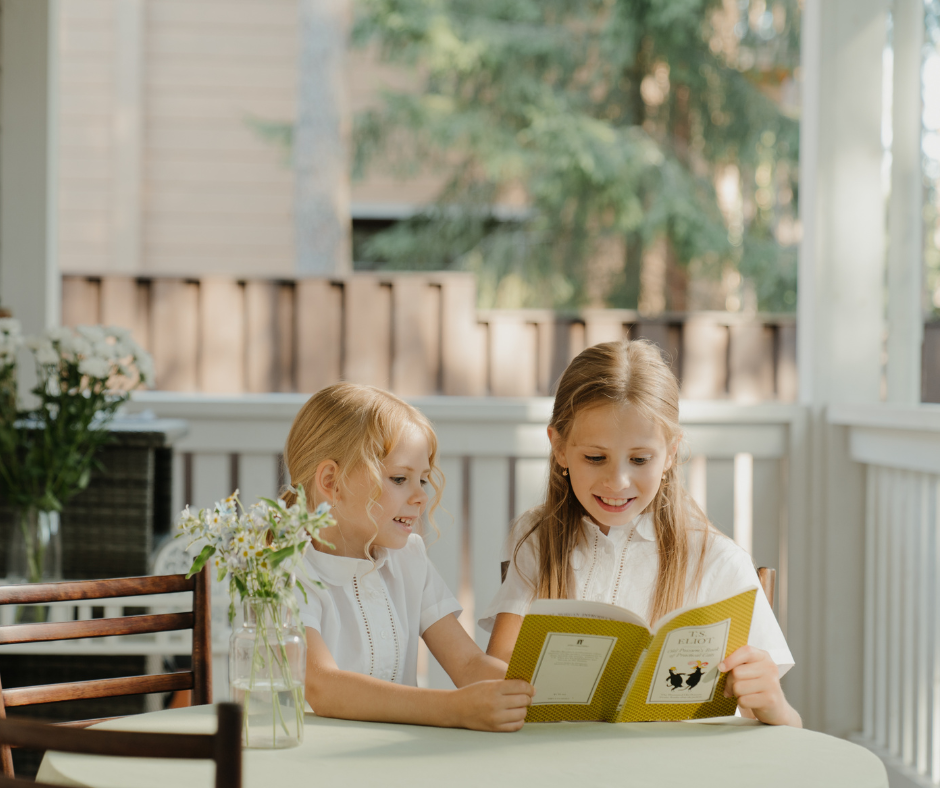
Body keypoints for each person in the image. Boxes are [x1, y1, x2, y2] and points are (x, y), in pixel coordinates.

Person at [481, 340, 801, 727]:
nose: (617, 481)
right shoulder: (536, 538)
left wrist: (775, 706)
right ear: (560, 448)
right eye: (595, 458)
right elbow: (496, 675)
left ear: (670, 453)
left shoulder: (718, 560)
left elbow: (786, 730)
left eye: (640, 459)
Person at [285, 383, 534, 732]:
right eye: (400, 478)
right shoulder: (284, 569)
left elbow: (468, 663)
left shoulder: (409, 559)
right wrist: (452, 709)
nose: (420, 496)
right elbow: (323, 686)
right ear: (331, 481)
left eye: (424, 480)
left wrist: (543, 692)